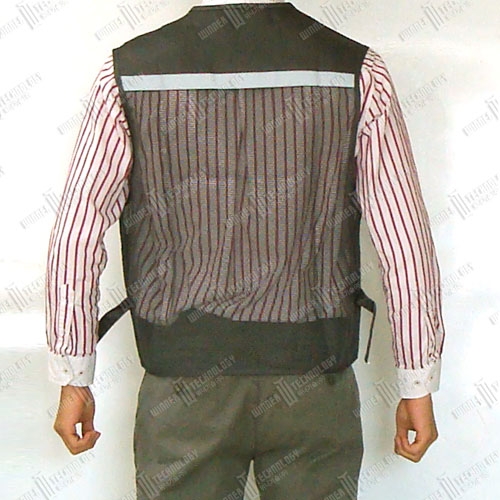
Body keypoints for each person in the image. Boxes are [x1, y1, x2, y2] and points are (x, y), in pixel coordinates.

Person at [46, 1, 445, 498]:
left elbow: (77, 232)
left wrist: (74, 373)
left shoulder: (128, 72)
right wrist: (417, 381)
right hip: (314, 383)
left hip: (184, 388)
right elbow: (405, 239)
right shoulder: (357, 70)